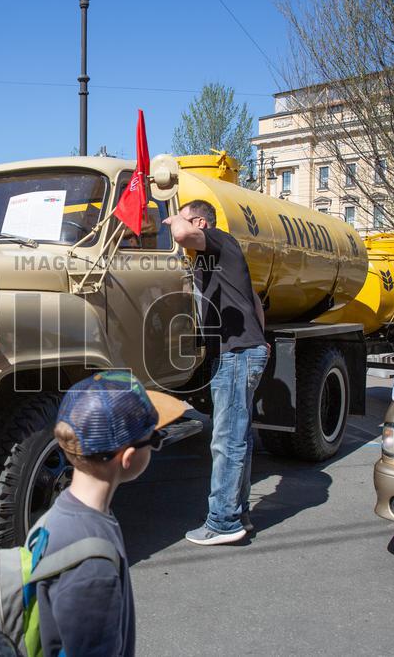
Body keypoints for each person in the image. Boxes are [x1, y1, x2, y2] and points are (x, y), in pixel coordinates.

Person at [37, 370, 185, 657]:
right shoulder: (92, 565)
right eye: (154, 438)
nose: (156, 443)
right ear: (127, 458)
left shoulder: (61, 515)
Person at [163, 199, 269, 546]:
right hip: (242, 351)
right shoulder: (217, 259)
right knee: (238, 440)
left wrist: (172, 209)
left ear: (201, 224)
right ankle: (239, 514)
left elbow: (180, 232)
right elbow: (253, 299)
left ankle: (223, 522)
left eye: (190, 221)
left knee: (226, 441)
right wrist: (261, 339)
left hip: (237, 354)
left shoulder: (221, 240)